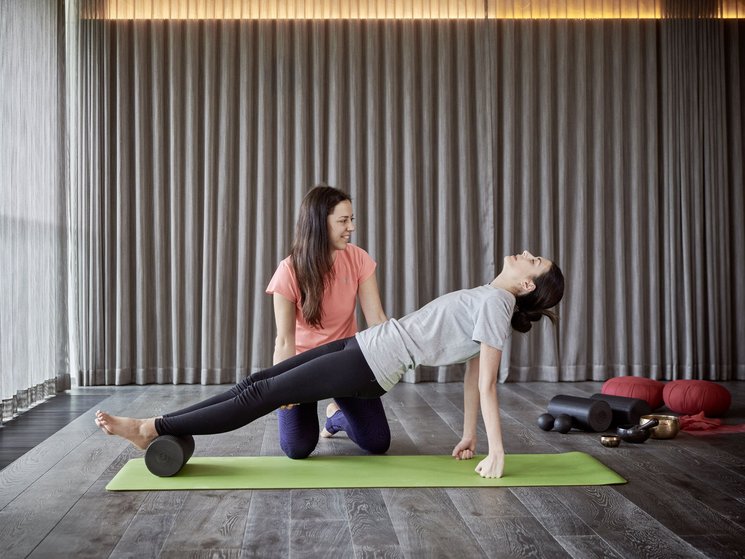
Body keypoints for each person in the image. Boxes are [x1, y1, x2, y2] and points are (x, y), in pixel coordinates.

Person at [96, 250, 564, 478]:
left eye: (533, 261)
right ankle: (159, 426)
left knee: (262, 394)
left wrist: (496, 450)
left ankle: (151, 428)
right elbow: (470, 375)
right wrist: (468, 436)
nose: (525, 254)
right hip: (366, 345)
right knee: (260, 382)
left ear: (526, 286)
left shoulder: (499, 305)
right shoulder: (490, 298)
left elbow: (485, 384)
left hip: (371, 364)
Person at [266, 185, 391, 459]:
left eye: (351, 219)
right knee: (297, 448)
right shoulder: (289, 270)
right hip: (303, 367)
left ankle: (335, 418)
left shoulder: (358, 259)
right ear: (320, 224)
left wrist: (394, 359)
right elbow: (285, 340)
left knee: (378, 442)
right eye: (343, 221)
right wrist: (281, 388)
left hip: (346, 364)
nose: (352, 227)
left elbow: (377, 320)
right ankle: (324, 414)